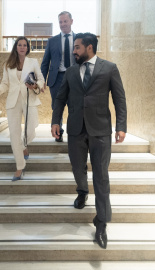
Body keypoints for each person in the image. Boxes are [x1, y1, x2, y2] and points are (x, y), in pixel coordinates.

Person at [51, 33, 127, 249]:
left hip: (101, 130)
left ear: (89, 48)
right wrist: (55, 120)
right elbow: (60, 97)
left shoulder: (109, 68)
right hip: (75, 128)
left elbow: (119, 98)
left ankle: (102, 223)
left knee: (101, 176)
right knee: (77, 167)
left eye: (77, 47)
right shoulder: (72, 71)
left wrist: (121, 126)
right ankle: (82, 191)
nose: (73, 51)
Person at [0, 36, 44, 181]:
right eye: (20, 45)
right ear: (16, 47)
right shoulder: (8, 64)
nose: (22, 47)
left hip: (29, 99)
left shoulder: (33, 62)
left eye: (25, 45)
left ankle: (24, 145)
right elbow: (5, 83)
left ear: (27, 48)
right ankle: (19, 166)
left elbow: (41, 79)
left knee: (30, 130)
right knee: (14, 134)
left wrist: (36, 86)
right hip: (13, 102)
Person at [41, 11, 76, 142]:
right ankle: (58, 132)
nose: (63, 24)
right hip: (57, 79)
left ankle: (74, 133)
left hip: (74, 78)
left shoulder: (79, 39)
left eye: (65, 21)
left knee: (74, 107)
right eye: (60, 22)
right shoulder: (52, 41)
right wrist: (41, 80)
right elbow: (45, 62)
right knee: (57, 106)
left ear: (71, 21)